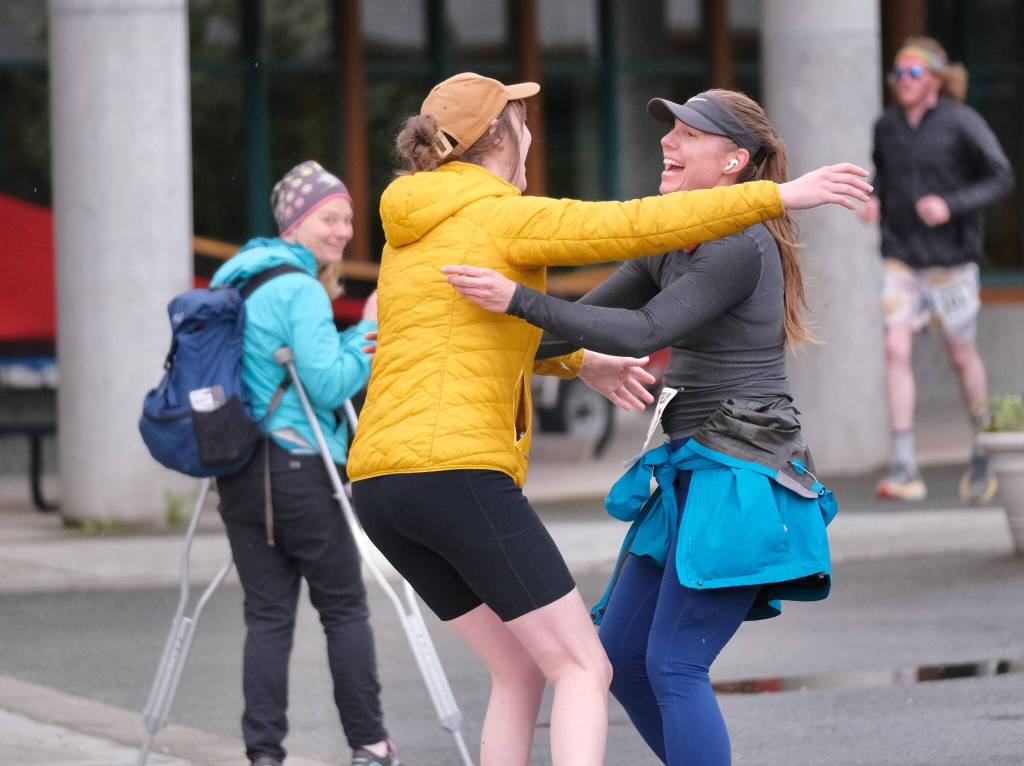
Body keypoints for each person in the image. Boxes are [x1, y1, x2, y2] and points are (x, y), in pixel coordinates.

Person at [347, 72, 869, 766]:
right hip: (650, 464)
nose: (668, 139)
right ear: (501, 136)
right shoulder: (520, 217)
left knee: (655, 664)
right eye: (670, 128)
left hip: (740, 464)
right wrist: (572, 352)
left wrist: (527, 309)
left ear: (735, 161)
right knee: (610, 657)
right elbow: (588, 304)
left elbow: (639, 323)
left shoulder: (738, 242)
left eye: (688, 132)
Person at [210, 161, 401, 766]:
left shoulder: (236, 278)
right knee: (344, 608)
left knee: (267, 616)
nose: (343, 230)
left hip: (240, 472)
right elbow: (328, 384)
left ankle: (263, 752)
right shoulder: (298, 289)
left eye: (347, 218)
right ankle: (369, 744)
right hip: (299, 468)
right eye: (329, 217)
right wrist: (366, 334)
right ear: (296, 222)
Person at [856, 37, 1014, 503]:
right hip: (902, 259)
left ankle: (984, 445)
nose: (904, 82)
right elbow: (883, 176)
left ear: (937, 79)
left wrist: (951, 204)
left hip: (952, 264)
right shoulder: (885, 126)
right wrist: (873, 198)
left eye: (914, 73)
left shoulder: (962, 122)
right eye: (898, 74)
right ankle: (904, 463)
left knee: (961, 355)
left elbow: (1001, 176)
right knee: (894, 347)